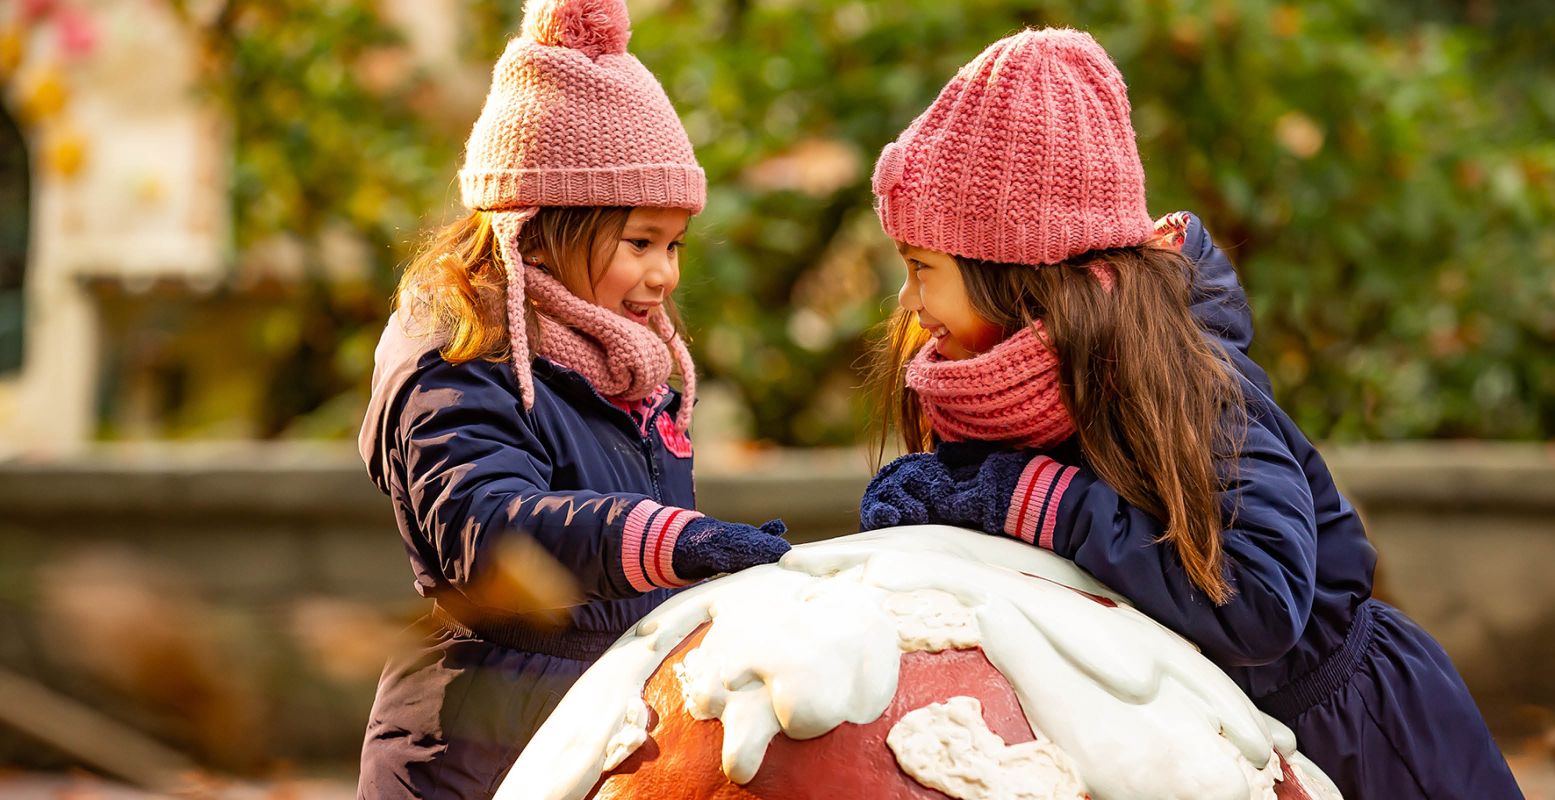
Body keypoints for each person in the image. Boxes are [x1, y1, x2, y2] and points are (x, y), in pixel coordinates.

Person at [858, 27, 1523, 800]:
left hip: (1359, 742)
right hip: (1192, 741)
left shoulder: (1191, 384)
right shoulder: (996, 389)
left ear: (1012, 274)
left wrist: (1035, 500)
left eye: (920, 269)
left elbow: (1259, 601)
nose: (907, 302)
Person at [354, 0, 788, 795]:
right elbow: (485, 530)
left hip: (596, 729)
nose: (665, 275)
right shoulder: (455, 355)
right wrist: (667, 540)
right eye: (640, 243)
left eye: (675, 245)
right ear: (544, 229)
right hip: (473, 746)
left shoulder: (620, 369)